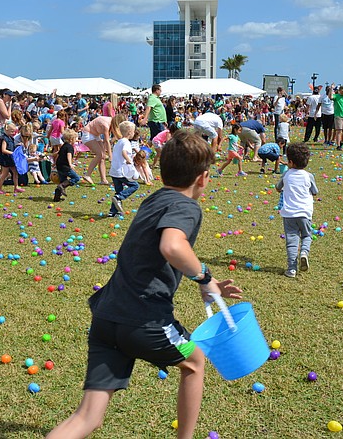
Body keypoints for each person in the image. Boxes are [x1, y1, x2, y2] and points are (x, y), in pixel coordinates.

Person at [46, 129, 242, 439]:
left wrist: (207, 282)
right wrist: (204, 276)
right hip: (145, 322)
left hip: (107, 317)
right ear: (203, 178)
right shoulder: (186, 206)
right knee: (194, 362)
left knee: (87, 417)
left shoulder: (155, 199)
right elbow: (172, 247)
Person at [276, 143, 319, 278]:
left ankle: (292, 269)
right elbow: (315, 191)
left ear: (291, 162)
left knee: (292, 240)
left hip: (289, 214)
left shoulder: (286, 174)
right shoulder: (308, 176)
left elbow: (278, 187)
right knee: (306, 235)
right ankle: (304, 253)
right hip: (305, 213)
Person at [81, 114, 125, 185]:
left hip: (95, 135)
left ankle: (103, 180)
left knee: (102, 157)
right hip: (88, 134)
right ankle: (87, 175)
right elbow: (107, 141)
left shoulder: (111, 123)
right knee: (100, 154)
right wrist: (111, 156)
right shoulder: (105, 124)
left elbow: (108, 140)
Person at [107, 121, 139, 218]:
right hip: (121, 172)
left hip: (114, 171)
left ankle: (113, 212)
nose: (134, 133)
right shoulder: (126, 142)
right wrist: (129, 160)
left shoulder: (119, 142)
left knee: (118, 190)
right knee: (134, 186)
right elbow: (124, 152)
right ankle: (119, 197)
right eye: (133, 131)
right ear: (129, 132)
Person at [0, 121, 23, 195]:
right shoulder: (4, 139)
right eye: (11, 131)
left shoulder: (11, 138)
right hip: (5, 159)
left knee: (15, 172)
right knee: (5, 174)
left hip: (11, 158)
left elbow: (11, 147)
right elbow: (3, 150)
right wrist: (12, 153)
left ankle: (16, 187)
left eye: (14, 131)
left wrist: (18, 146)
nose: (13, 133)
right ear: (6, 130)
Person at [53, 128, 80, 202]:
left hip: (59, 166)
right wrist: (70, 164)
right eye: (75, 139)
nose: (76, 140)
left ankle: (57, 197)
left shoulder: (63, 146)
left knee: (63, 180)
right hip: (65, 166)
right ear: (71, 139)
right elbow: (69, 155)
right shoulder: (70, 147)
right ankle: (61, 186)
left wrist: (54, 163)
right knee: (76, 178)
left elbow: (58, 155)